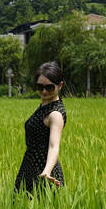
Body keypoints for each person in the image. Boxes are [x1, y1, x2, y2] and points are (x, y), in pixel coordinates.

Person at [14, 61, 67, 196]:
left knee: (42, 205)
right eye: (40, 86)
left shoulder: (55, 114)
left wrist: (47, 171)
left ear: (60, 86)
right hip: (29, 166)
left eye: (49, 87)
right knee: (21, 205)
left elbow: (54, 146)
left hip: (44, 171)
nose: (44, 91)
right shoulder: (44, 106)